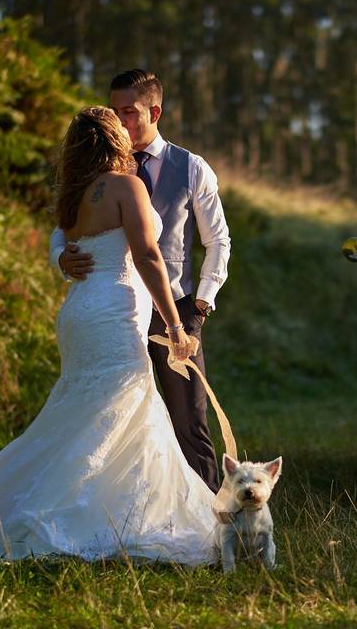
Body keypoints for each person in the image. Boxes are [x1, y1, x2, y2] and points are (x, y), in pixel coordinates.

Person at [0, 107, 217, 563]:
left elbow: (66, 243)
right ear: (114, 141)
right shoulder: (127, 186)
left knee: (86, 412)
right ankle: (94, 515)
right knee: (119, 407)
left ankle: (103, 507)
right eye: (121, 127)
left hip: (81, 312)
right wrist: (175, 325)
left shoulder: (77, 198)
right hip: (112, 312)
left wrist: (62, 261)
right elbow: (148, 256)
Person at [51, 69, 229, 494]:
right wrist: (60, 256)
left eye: (128, 111)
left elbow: (217, 240)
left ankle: (208, 512)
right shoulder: (96, 174)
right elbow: (61, 228)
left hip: (176, 309)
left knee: (188, 420)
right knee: (117, 417)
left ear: (155, 111)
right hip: (117, 311)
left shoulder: (191, 168)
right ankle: (128, 505)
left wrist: (200, 305)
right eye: (114, 111)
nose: (120, 120)